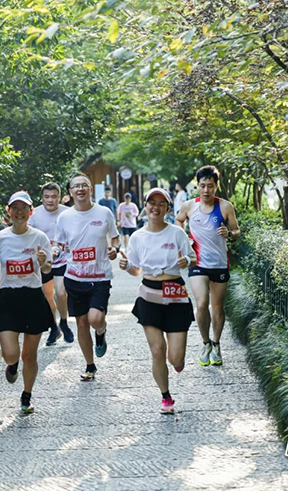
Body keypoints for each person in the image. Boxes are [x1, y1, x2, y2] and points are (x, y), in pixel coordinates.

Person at [119, 188, 196, 414]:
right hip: (149, 294)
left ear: (167, 209)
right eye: (151, 202)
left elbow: (192, 258)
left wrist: (187, 263)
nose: (155, 207)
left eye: (161, 203)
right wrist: (127, 267)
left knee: (175, 358)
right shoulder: (137, 237)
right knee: (157, 350)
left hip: (176, 294)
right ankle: (166, 396)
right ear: (144, 206)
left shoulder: (176, 233)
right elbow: (135, 270)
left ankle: (178, 361)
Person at [0, 191, 53, 413]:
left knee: (29, 355)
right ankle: (12, 366)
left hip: (32, 297)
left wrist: (43, 263)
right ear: (9, 211)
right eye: (16, 208)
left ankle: (26, 395)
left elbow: (47, 268)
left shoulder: (40, 237)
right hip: (9, 298)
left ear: (31, 212)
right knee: (11, 353)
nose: (20, 212)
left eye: (24, 208)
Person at [55, 173, 120, 381]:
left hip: (100, 276)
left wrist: (114, 250)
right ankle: (90, 365)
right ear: (70, 192)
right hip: (74, 277)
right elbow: (59, 244)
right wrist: (54, 252)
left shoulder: (104, 212)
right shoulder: (64, 217)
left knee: (95, 319)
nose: (80, 189)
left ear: (91, 189)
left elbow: (115, 238)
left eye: (84, 185)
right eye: (76, 186)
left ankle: (101, 331)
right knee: (82, 323)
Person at [175, 165, 241, 367]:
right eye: (202, 186)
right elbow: (178, 220)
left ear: (216, 186)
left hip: (220, 263)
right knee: (202, 303)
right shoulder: (188, 206)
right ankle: (205, 343)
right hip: (198, 263)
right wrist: (184, 236)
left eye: (210, 186)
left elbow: (237, 231)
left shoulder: (225, 207)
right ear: (198, 186)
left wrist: (229, 234)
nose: (206, 190)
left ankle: (216, 343)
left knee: (217, 308)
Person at [29, 183, 74, 345]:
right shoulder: (34, 214)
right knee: (46, 296)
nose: (50, 200)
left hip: (63, 259)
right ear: (41, 198)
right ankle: (54, 327)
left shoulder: (67, 213)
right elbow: (28, 235)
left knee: (61, 293)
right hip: (43, 261)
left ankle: (64, 321)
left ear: (60, 197)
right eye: (47, 197)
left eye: (54, 197)